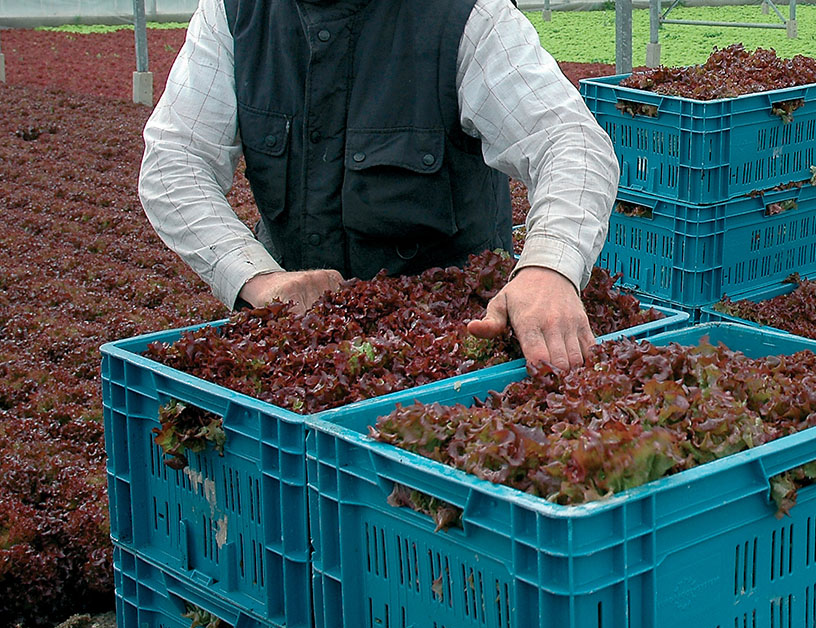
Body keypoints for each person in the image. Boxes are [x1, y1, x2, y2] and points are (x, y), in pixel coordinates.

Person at [139, 0, 619, 371]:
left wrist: (548, 269)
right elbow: (175, 161)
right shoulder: (235, 13)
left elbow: (568, 141)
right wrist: (257, 280)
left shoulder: (463, 15)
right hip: (300, 349)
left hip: (454, 353)